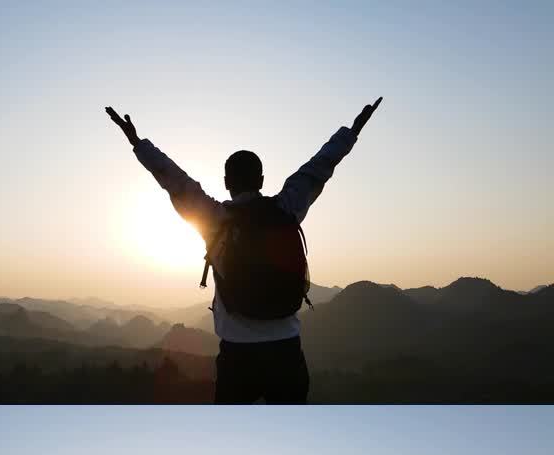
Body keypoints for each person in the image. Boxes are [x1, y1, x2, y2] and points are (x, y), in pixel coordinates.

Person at [106, 99, 383, 404]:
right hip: (286, 351)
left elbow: (174, 180)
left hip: (238, 356)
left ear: (227, 183)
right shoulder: (288, 208)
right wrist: (352, 131)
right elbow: (319, 166)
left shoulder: (214, 220)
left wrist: (136, 142)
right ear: (262, 180)